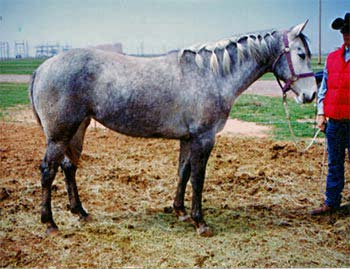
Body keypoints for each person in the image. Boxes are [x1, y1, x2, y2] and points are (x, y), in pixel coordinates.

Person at [312, 13, 350, 215]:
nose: (346, 35)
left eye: (349, 31)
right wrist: (321, 113)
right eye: (344, 31)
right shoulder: (332, 58)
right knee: (335, 163)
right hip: (334, 121)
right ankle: (332, 202)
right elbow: (324, 88)